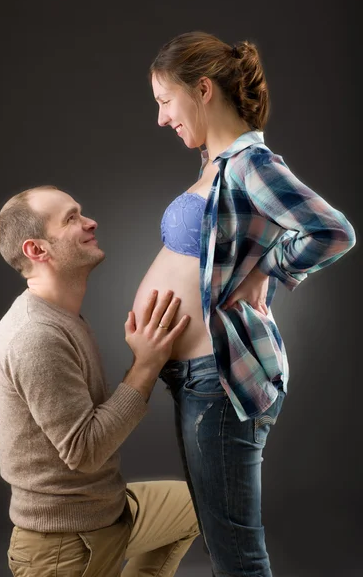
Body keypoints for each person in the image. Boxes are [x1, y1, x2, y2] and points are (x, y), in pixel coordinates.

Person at [131, 31, 356, 577]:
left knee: (236, 554)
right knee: (221, 541)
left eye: (165, 101)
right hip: (195, 377)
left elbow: (333, 231)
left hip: (220, 379)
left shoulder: (251, 162)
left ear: (202, 89)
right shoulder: (216, 163)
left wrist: (270, 268)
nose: (161, 118)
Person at [0, 185, 200, 577]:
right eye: (71, 218)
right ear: (37, 250)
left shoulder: (61, 317)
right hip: (63, 547)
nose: (90, 222)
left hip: (107, 512)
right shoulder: (35, 336)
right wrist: (146, 364)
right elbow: (84, 451)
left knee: (199, 505)